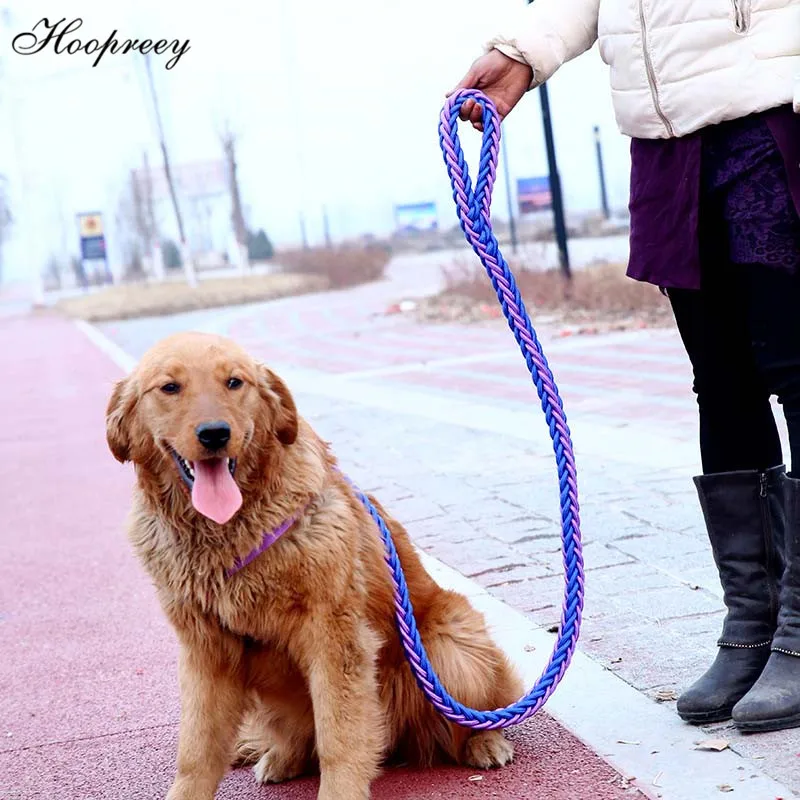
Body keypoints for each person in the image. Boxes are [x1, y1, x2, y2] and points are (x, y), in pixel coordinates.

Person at [450, 0, 800, 732]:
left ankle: (799, 633)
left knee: (796, 370)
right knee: (723, 385)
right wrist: (521, 53)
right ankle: (754, 627)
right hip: (669, 140)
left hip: (770, 110)